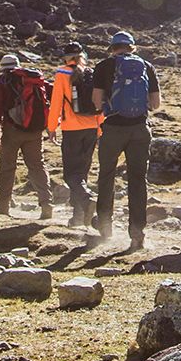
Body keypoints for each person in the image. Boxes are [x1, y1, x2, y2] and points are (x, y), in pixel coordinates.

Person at [93, 31, 162, 253]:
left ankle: (105, 227)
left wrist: (107, 105)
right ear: (131, 47)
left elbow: (96, 102)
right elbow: (155, 104)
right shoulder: (146, 66)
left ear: (113, 48)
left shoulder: (103, 66)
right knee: (138, 180)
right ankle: (137, 234)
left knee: (106, 175)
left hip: (113, 128)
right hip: (140, 130)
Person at [0, 51, 55, 220]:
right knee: (37, 166)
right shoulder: (34, 81)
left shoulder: (1, 82)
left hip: (12, 131)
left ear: (2, 68)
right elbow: (53, 93)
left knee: (7, 167)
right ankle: (46, 204)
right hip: (35, 131)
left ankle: (3, 208)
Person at [48, 43, 103, 227]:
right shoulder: (91, 73)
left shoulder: (62, 74)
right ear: (81, 56)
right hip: (92, 128)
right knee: (82, 173)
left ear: (66, 57)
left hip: (71, 129)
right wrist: (100, 128)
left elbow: (56, 102)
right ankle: (78, 217)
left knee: (71, 175)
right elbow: (100, 102)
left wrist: (51, 127)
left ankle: (87, 201)